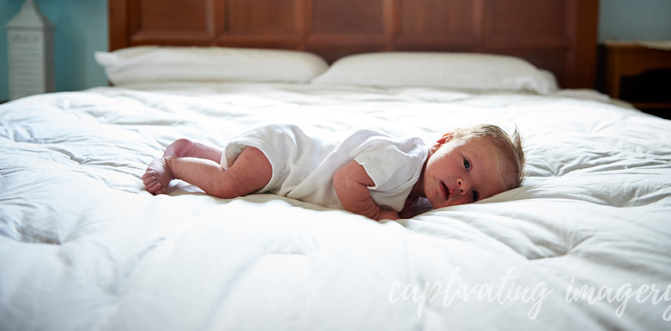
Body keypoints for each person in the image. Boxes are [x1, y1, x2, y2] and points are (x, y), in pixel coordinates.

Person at [142, 123, 525, 221]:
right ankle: (173, 165)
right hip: (284, 154)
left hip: (280, 162)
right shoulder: (403, 159)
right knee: (229, 185)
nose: (462, 185)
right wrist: (376, 214)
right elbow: (346, 181)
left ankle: (194, 149)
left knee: (240, 171)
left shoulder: (417, 188)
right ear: (442, 142)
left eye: (475, 194)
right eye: (467, 164)